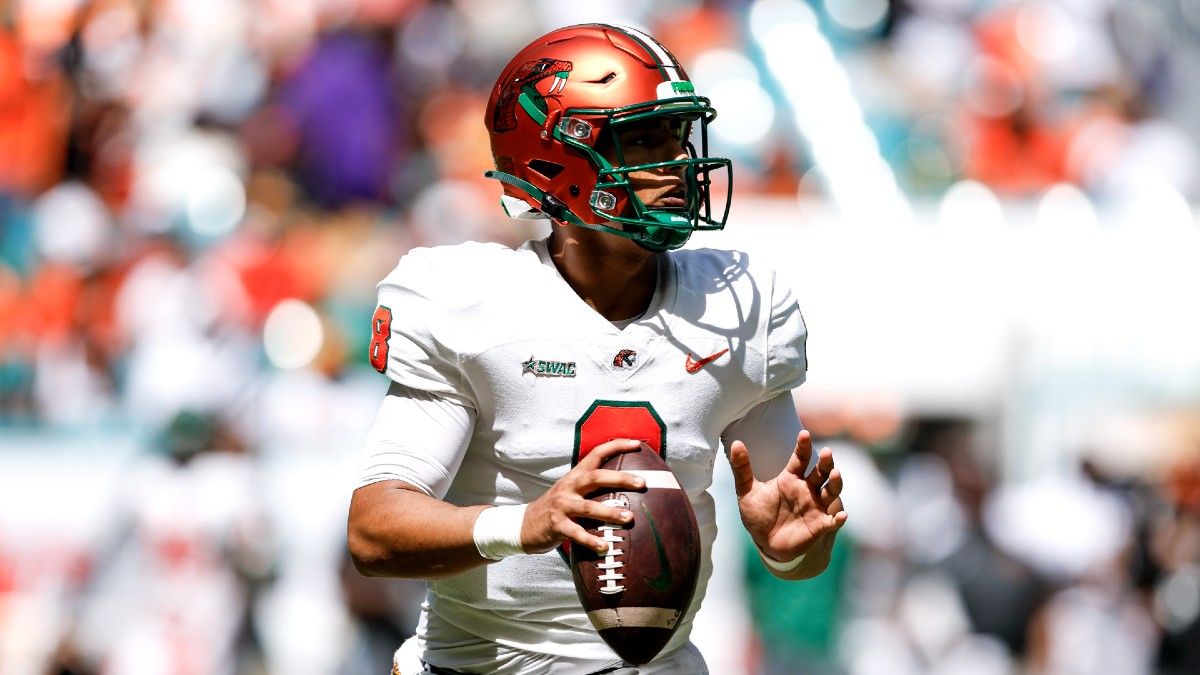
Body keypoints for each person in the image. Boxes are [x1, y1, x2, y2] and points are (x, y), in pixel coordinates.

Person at [348, 23, 847, 675]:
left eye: (677, 135)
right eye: (642, 139)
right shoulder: (467, 304)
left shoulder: (737, 307)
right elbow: (375, 527)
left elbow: (791, 537)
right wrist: (523, 524)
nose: (675, 163)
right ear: (557, 160)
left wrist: (789, 550)